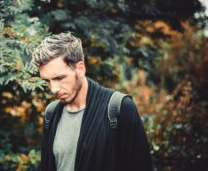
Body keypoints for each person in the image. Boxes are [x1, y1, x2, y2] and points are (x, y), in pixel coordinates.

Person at [31, 32, 152, 171]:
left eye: (59, 78)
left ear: (80, 69)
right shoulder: (51, 114)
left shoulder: (119, 107)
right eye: (47, 81)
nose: (54, 89)